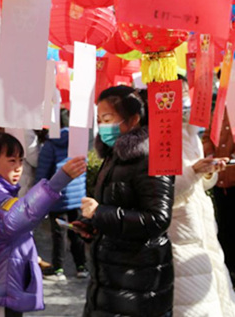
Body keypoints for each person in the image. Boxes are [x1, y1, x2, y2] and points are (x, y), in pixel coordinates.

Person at [0, 132, 87, 316]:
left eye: (20, 161)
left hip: (4, 286)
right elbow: (17, 218)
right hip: (1, 291)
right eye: (11, 161)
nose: (18, 168)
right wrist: (57, 181)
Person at [80, 85, 174, 317]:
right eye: (100, 119)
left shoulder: (151, 158)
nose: (103, 126)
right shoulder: (114, 155)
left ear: (133, 119)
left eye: (108, 118)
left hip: (138, 277)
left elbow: (158, 219)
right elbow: (118, 207)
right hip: (111, 275)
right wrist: (93, 226)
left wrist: (100, 213)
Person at [170, 77, 235, 316]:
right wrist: (193, 172)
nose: (186, 100)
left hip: (203, 230)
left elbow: (200, 184)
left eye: (187, 92)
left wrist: (208, 172)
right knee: (192, 304)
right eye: (179, 94)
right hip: (182, 233)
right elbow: (162, 193)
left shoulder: (190, 134)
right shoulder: (161, 139)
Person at [34, 110, 87, 281]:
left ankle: (58, 270)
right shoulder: (78, 143)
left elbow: (43, 172)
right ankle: (81, 267)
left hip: (57, 196)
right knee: (76, 231)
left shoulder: (50, 145)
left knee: (59, 234)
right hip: (77, 195)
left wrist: (40, 197)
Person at [202, 102, 235, 286]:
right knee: (224, 227)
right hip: (220, 180)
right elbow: (207, 136)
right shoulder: (219, 108)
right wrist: (210, 155)